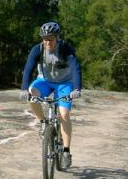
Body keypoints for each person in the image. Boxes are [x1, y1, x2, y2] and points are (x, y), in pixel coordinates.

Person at [20, 21, 82, 169]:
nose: (47, 42)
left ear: (57, 38)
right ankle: (42, 122)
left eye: (51, 39)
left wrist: (77, 89)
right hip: (45, 81)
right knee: (32, 93)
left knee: (64, 114)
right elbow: (28, 68)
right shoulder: (38, 49)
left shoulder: (66, 49)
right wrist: (23, 88)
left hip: (64, 83)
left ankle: (66, 152)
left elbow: (76, 69)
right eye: (45, 39)